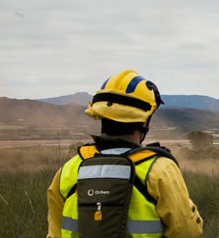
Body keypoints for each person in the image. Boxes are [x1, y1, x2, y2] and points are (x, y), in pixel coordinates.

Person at [46, 69, 203, 238]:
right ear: (143, 121)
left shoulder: (68, 171)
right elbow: (187, 232)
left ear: (100, 114)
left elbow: (55, 233)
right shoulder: (160, 170)